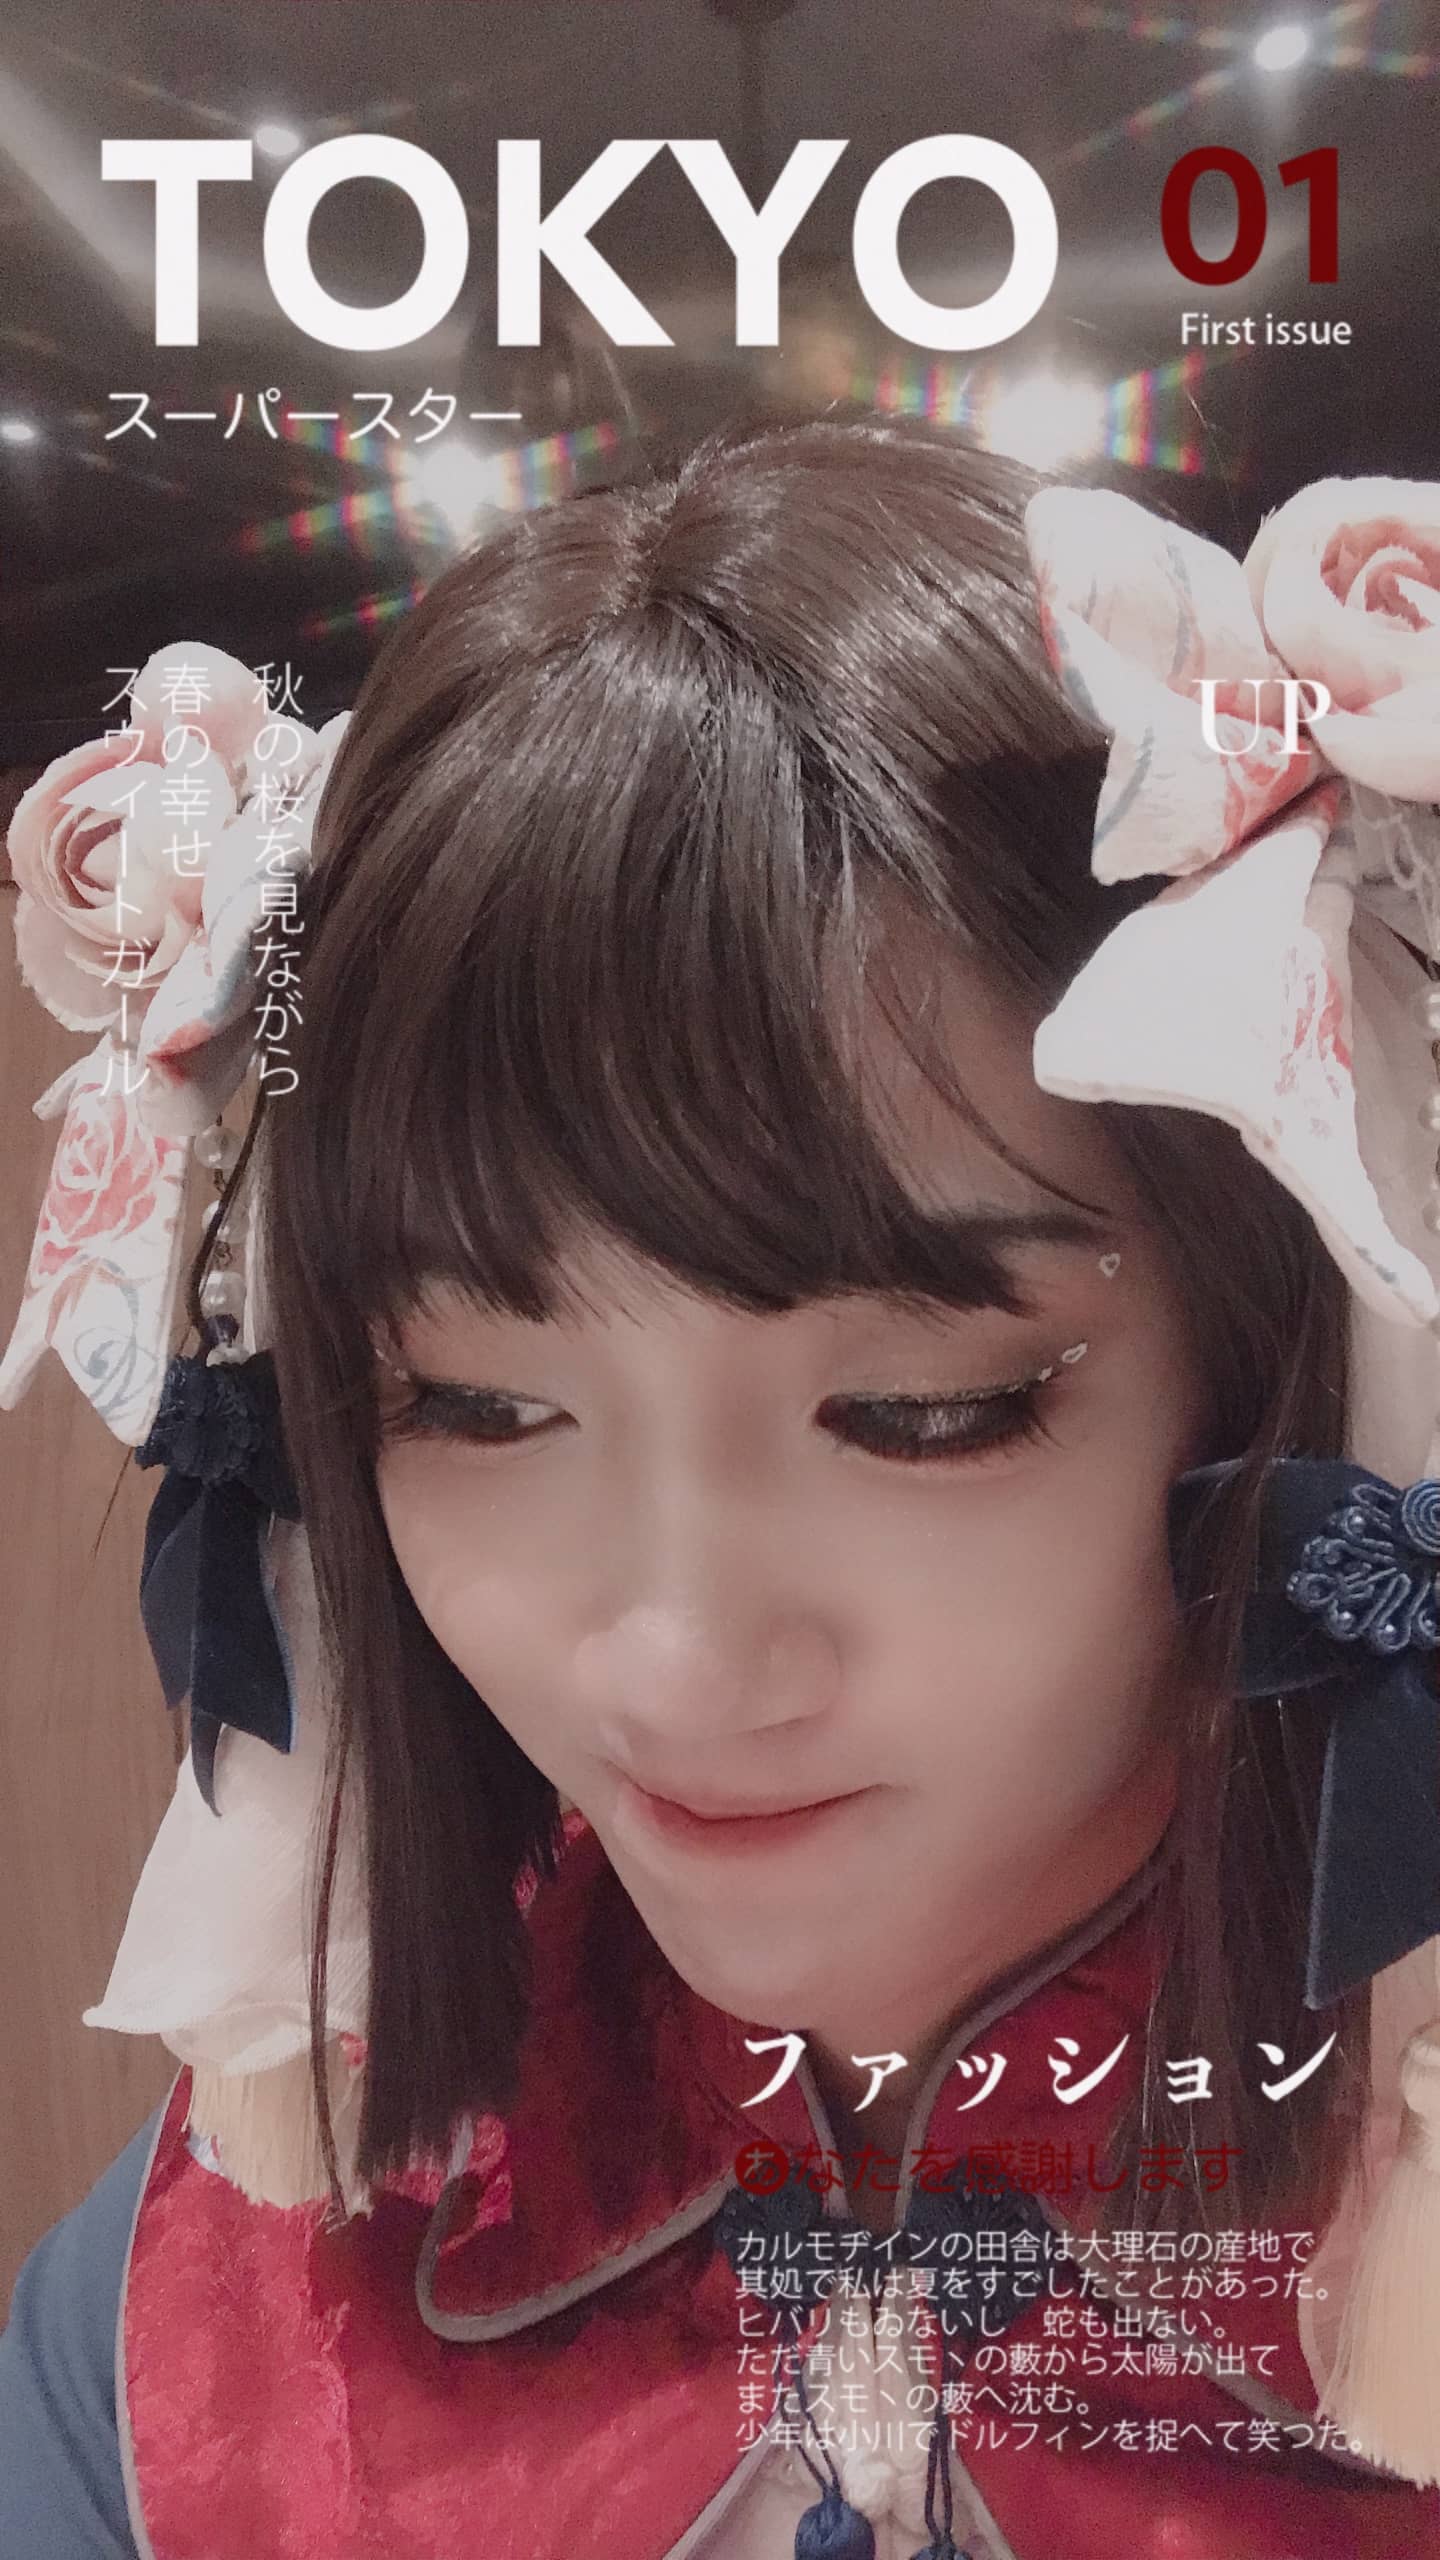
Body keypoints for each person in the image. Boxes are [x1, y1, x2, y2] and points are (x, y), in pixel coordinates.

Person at [3, 413, 1440, 2559]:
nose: (669, 1659)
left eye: (923, 1414)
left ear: (1285, 1381)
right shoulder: (200, 2331)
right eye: (473, 1405)